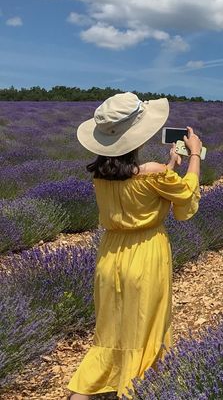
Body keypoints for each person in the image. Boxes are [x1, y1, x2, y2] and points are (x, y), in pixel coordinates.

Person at [69, 92, 202, 398]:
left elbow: (134, 185)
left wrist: (167, 166)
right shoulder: (153, 174)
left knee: (109, 331)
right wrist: (193, 155)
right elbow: (186, 193)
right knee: (146, 326)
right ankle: (137, 388)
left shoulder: (101, 176)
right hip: (145, 255)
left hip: (109, 256)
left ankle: (85, 390)